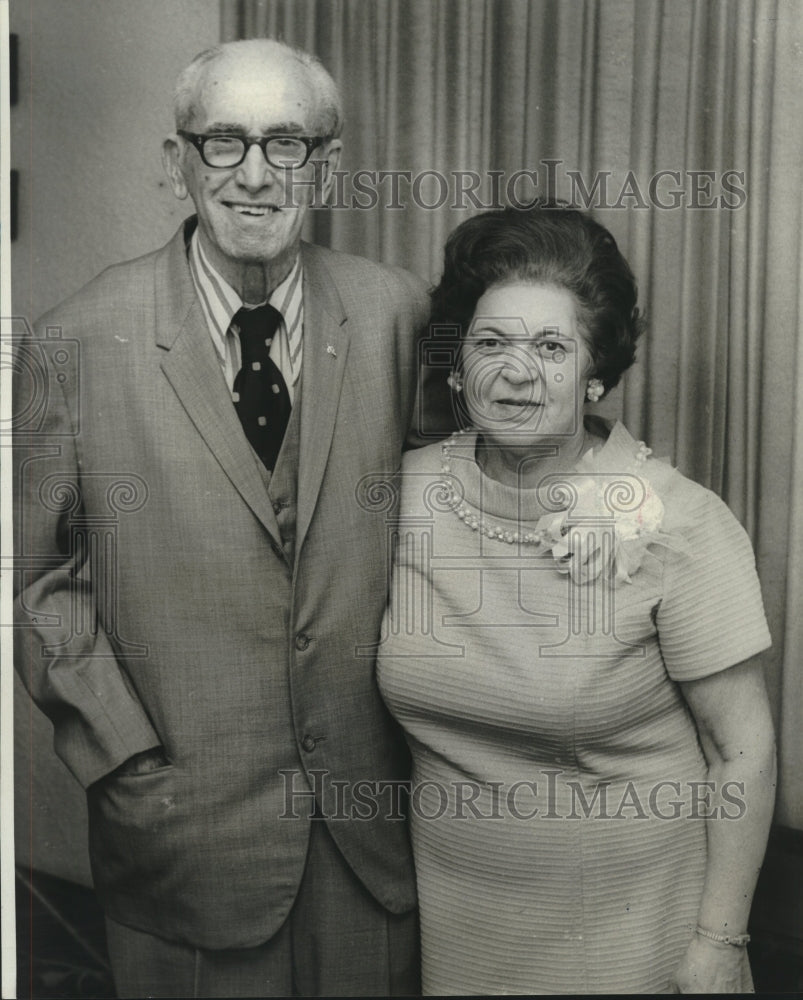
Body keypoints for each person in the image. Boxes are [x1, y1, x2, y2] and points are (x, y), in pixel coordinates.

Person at [13, 38, 435, 998]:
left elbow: (480, 487)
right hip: (182, 834)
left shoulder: (399, 316)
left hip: (370, 834)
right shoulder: (71, 342)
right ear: (177, 164)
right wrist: (122, 753)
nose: (254, 175)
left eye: (287, 144)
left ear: (325, 167)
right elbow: (36, 581)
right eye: (223, 142)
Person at [377, 203, 777, 995]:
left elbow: (744, 749)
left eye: (551, 348)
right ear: (456, 366)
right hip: (458, 934)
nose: (515, 371)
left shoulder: (677, 521)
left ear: (595, 374)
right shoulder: (399, 500)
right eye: (489, 343)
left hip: (634, 942)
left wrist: (718, 944)